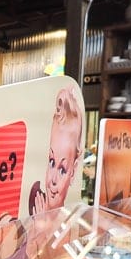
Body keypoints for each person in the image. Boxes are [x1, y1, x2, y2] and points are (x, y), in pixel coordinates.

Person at [28, 86, 84, 215]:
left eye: (62, 170)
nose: (53, 179)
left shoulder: (69, 219)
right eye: (52, 162)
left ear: (73, 171)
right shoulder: (32, 207)